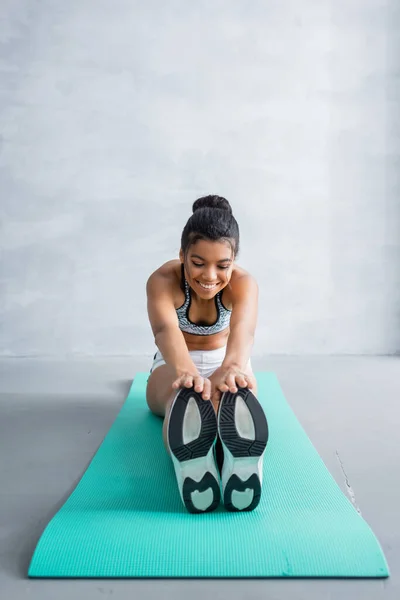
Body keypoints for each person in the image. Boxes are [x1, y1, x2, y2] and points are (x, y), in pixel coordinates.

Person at [146, 195, 268, 514]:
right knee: (180, 400)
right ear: (182, 255)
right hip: (175, 360)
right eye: (198, 263)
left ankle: (237, 461)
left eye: (222, 265)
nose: (209, 276)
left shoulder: (243, 284)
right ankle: (193, 466)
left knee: (240, 391)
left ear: (234, 261)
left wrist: (230, 369)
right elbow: (165, 332)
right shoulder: (162, 280)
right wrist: (187, 375)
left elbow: (245, 332)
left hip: (226, 358)